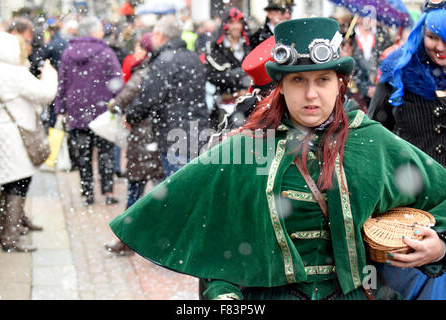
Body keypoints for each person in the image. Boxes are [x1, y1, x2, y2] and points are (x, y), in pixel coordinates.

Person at [108, 17, 446, 300]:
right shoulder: (245, 149)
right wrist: (223, 296)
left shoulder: (372, 140)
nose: (311, 94)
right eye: (298, 80)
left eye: (323, 80)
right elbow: (216, 248)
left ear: (340, 84)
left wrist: (440, 246)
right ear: (280, 86)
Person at [368, 2, 446, 299]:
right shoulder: (396, 75)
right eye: (433, 36)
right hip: (406, 212)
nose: (440, 47)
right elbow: (374, 140)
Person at [125, 15, 209, 178]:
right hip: (197, 133)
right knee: (193, 187)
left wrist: (131, 116)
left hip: (174, 136)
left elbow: (149, 98)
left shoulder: (164, 61)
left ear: (160, 35)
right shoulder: (194, 58)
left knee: (178, 192)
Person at [0, 32, 58, 252]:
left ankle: (3, 228)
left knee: (8, 181)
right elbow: (46, 94)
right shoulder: (15, 73)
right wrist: (50, 74)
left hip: (1, 134)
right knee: (19, 182)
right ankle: (11, 238)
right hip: (16, 136)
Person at [104, 32, 164, 256]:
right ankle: (161, 240)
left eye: (139, 47)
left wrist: (115, 108)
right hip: (160, 135)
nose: (135, 52)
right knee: (161, 189)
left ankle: (126, 238)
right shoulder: (160, 69)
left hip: (143, 136)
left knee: (136, 188)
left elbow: (124, 97)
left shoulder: (143, 72)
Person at [54, 16, 123, 206]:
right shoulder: (106, 52)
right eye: (100, 28)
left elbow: (62, 83)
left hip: (77, 111)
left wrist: (60, 108)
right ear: (93, 32)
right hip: (102, 112)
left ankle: (88, 192)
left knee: (83, 154)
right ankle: (108, 191)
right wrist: (119, 102)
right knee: (105, 153)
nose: (102, 31)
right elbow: (117, 82)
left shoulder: (68, 53)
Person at [203, 7, 252, 128]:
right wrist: (238, 76)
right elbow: (211, 76)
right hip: (225, 103)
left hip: (250, 102)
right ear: (225, 25)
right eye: (232, 23)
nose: (236, 27)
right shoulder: (215, 47)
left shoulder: (249, 43)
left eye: (238, 23)